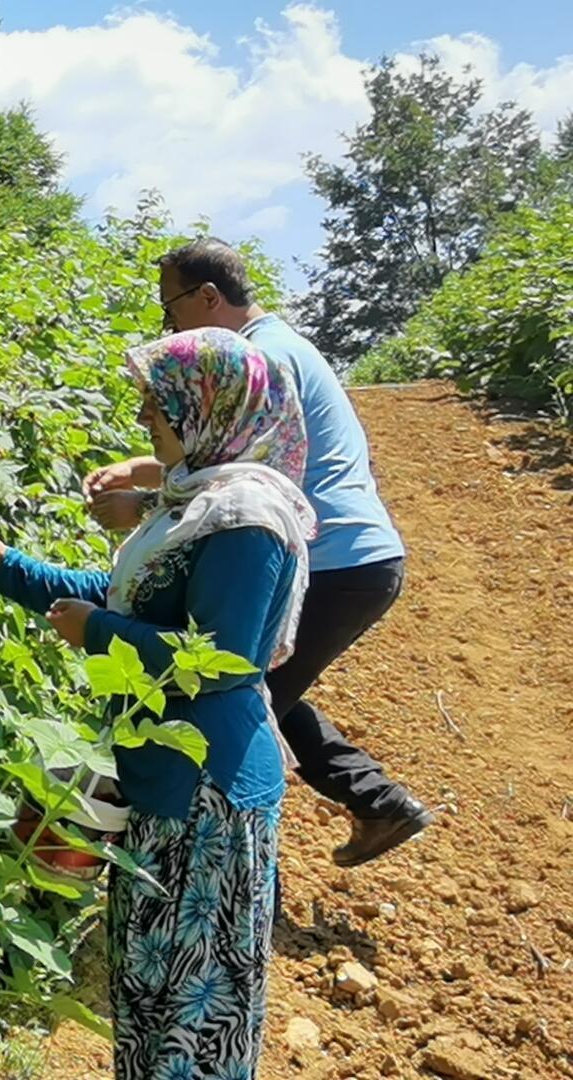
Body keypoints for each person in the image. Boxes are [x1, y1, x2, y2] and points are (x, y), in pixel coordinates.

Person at [0, 328, 313, 1080]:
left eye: (160, 401)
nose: (146, 416)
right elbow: (126, 599)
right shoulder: (197, 503)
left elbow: (223, 658)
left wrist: (101, 635)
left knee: (194, 1008)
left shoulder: (246, 519)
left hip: (206, 793)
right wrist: (9, 566)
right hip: (160, 779)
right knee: (149, 992)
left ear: (209, 406)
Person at [84, 238, 429, 868]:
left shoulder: (260, 358)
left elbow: (247, 484)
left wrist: (147, 508)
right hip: (350, 553)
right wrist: (141, 470)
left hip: (332, 556)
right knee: (261, 683)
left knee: (231, 690)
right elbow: (220, 458)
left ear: (208, 297)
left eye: (172, 309)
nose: (171, 326)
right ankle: (374, 802)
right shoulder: (284, 344)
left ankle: (227, 868)